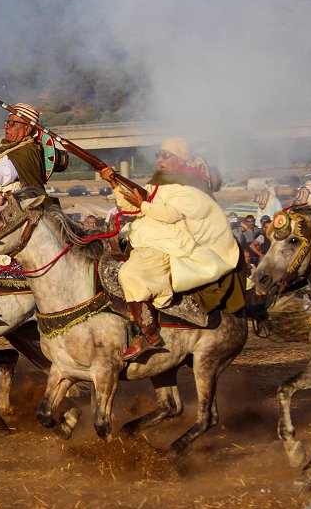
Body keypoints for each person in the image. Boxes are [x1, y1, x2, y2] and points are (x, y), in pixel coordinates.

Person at [99, 137, 240, 361]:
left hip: (165, 242)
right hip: (143, 238)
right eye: (159, 154)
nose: (160, 159)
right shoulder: (157, 183)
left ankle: (148, 335)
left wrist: (142, 205)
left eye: (166, 155)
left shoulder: (188, 186)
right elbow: (133, 207)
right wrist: (114, 183)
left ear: (180, 159)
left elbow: (170, 214)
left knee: (129, 275)